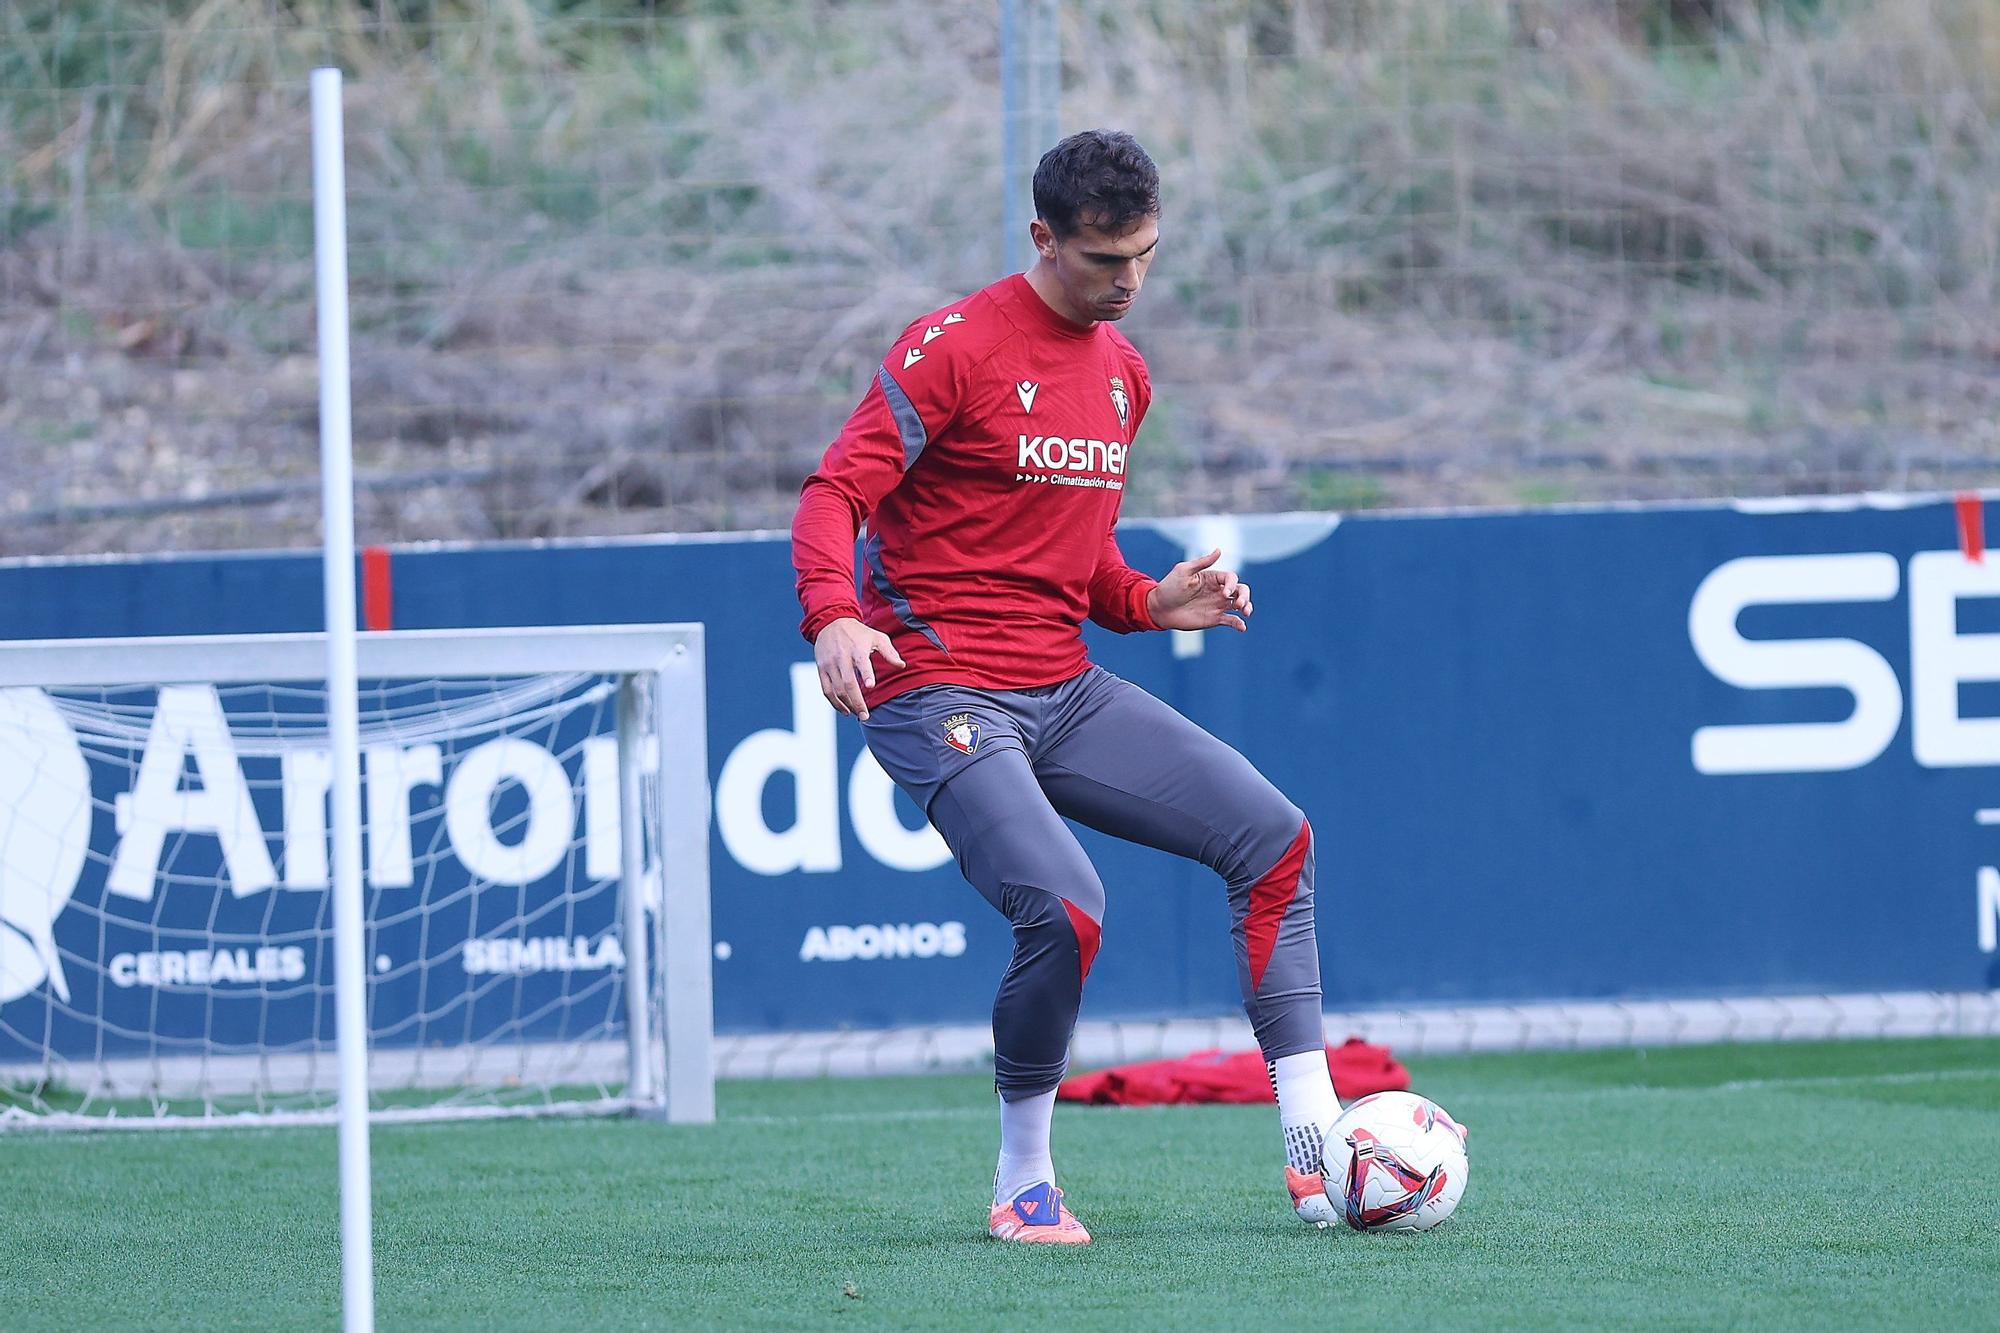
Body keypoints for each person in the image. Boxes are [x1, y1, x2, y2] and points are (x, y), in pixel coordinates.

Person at [790, 129, 1341, 1244]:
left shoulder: (1124, 374)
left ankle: (1314, 1138)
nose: (1128, 280)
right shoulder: (949, 348)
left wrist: (1147, 600)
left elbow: (1075, 564)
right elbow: (831, 494)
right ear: (1042, 237)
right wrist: (833, 614)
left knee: (1275, 837)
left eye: (1143, 255)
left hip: (1062, 687)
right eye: (1103, 261)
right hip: (935, 685)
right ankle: (1021, 1181)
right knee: (1067, 904)